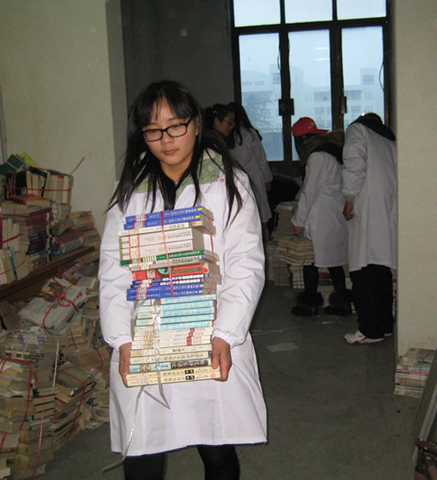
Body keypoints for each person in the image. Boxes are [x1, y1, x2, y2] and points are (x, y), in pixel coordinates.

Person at [99, 81, 267, 479]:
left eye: (176, 126)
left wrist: (225, 333)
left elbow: (246, 264)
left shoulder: (227, 184)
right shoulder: (130, 193)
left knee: (216, 446)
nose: (166, 139)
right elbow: (113, 271)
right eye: (153, 130)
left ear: (195, 124)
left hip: (209, 332)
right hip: (146, 336)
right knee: (143, 452)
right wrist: (122, 340)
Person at [341, 113, 397, 345]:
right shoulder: (389, 139)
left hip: (367, 206)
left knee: (363, 273)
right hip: (385, 209)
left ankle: (370, 330)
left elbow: (353, 165)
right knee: (381, 269)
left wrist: (349, 198)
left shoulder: (358, 131)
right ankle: (384, 325)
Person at [289, 117, 350, 317]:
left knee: (310, 260)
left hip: (321, 217)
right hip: (334, 215)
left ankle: (309, 304)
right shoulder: (333, 153)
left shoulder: (317, 157)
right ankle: (342, 302)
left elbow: (309, 191)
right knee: (334, 262)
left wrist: (298, 221)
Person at [228, 102, 274, 228]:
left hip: (235, 181)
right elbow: (261, 159)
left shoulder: (227, 137)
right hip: (254, 179)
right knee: (258, 215)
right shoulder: (249, 134)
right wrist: (267, 179)